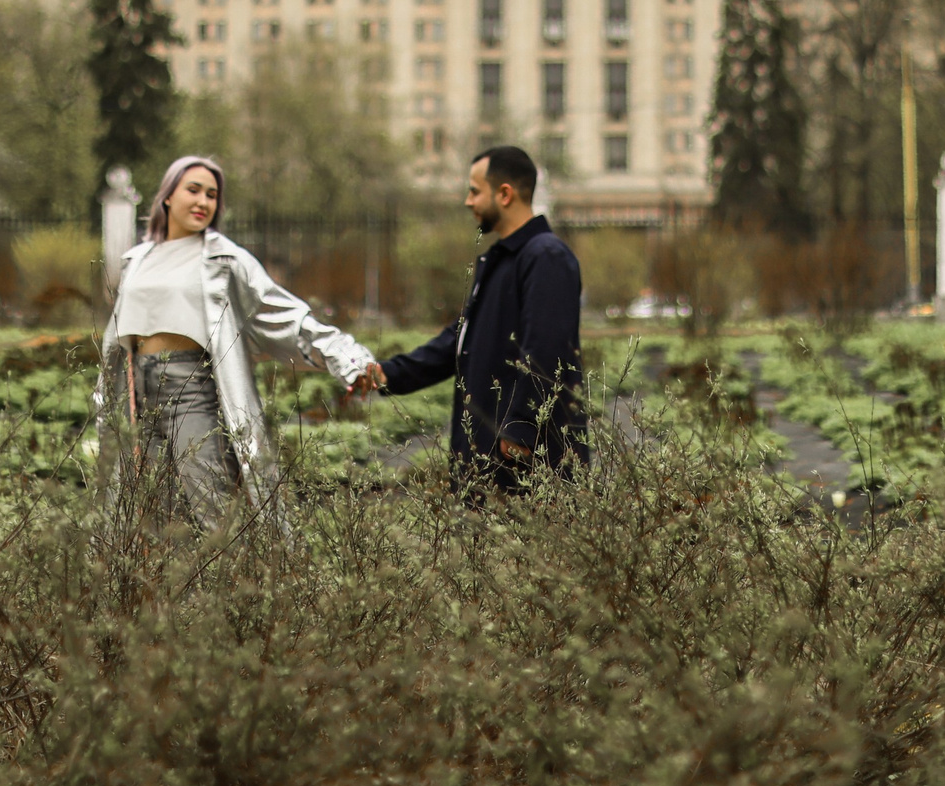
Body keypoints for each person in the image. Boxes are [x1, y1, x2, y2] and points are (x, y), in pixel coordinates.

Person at [95, 155, 382, 526]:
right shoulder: (137, 258)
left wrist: (349, 358)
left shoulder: (224, 258)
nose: (203, 202)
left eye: (212, 195)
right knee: (152, 515)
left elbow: (283, 313)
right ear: (167, 196)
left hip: (192, 391)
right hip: (138, 392)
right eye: (193, 190)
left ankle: (234, 581)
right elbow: (119, 335)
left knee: (211, 507)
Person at [377, 145, 588, 489]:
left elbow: (548, 351)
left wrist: (521, 428)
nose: (467, 201)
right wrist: (390, 374)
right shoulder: (502, 260)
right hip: (489, 461)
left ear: (504, 194)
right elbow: (459, 341)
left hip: (523, 463)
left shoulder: (545, 256)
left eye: (474, 191)